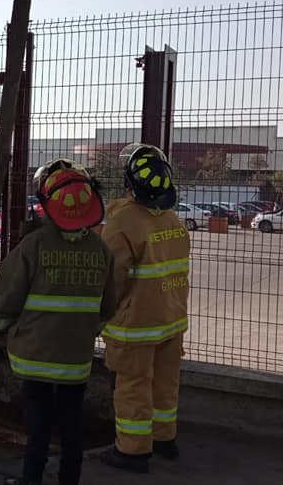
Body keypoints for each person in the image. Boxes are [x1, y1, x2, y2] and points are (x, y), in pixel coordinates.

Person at [0, 159, 117, 485]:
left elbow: (6, 295)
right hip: (75, 360)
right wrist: (89, 329)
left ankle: (31, 480)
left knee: (38, 429)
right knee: (72, 427)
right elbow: (110, 303)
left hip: (34, 358)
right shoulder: (100, 250)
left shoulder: (34, 245)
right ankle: (68, 480)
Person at [98, 143, 190, 474]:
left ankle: (133, 451)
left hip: (135, 325)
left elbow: (112, 279)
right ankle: (165, 439)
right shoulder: (173, 220)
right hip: (171, 320)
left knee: (133, 386)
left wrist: (100, 316)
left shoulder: (122, 222)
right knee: (165, 384)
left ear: (129, 181)